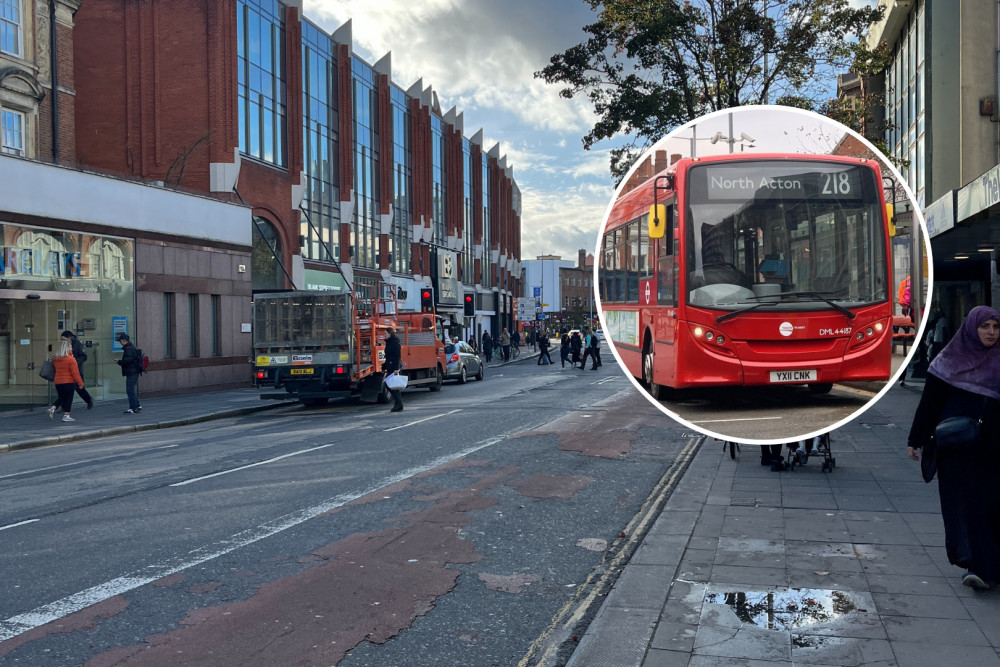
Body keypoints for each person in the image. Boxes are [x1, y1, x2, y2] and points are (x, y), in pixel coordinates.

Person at [907, 305, 1000, 591]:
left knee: (993, 505)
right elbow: (930, 404)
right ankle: (976, 565)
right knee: (965, 506)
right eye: (985, 326)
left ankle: (989, 564)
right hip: (957, 449)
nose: (991, 333)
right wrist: (916, 439)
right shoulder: (947, 360)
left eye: (996, 327)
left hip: (993, 448)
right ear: (971, 328)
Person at [46, 340, 84, 422]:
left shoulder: (56, 359)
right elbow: (75, 373)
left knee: (61, 398)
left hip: (58, 382)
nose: (71, 348)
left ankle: (52, 409)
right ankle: (66, 415)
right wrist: (80, 383)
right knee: (69, 398)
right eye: (70, 347)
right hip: (68, 381)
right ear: (67, 348)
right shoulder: (71, 359)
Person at [61, 331, 94, 409]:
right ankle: (65, 407)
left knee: (79, 388)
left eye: (64, 339)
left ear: (69, 338)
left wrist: (74, 362)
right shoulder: (65, 345)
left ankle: (88, 400)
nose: (62, 341)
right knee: (68, 390)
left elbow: (84, 356)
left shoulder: (78, 344)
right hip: (67, 371)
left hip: (77, 370)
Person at [116, 333, 143, 414]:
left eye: (120, 341)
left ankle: (133, 408)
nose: (120, 343)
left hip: (132, 372)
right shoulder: (131, 347)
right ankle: (137, 405)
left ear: (124, 341)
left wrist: (119, 362)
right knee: (131, 390)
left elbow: (127, 361)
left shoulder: (129, 349)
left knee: (130, 390)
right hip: (134, 371)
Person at [383, 327, 404, 412]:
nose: (384, 335)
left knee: (389, 384)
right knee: (394, 386)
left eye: (385, 333)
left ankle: (398, 403)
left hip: (394, 367)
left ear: (390, 334)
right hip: (390, 366)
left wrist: (396, 368)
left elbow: (397, 357)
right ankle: (398, 404)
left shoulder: (394, 343)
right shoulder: (389, 342)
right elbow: (388, 357)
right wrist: (384, 366)